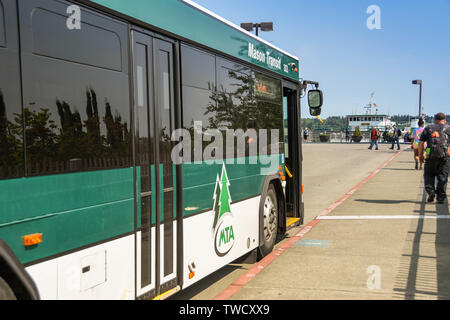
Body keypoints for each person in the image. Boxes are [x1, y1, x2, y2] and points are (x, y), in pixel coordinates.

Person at [418, 112, 450, 204]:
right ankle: (440, 197)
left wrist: (420, 155)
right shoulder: (448, 128)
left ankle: (431, 191)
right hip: (445, 155)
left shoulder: (428, 128)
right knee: (442, 177)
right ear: (444, 120)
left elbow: (421, 143)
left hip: (429, 154)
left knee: (429, 175)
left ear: (435, 120)